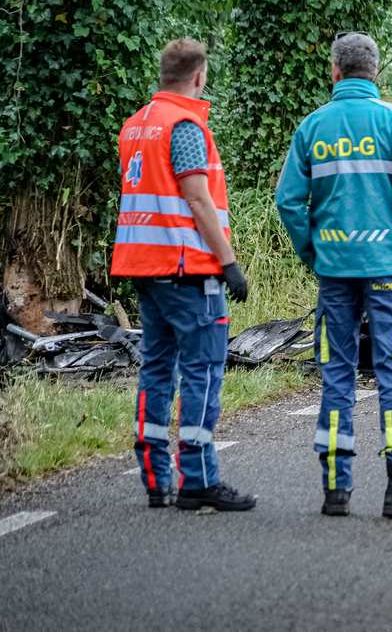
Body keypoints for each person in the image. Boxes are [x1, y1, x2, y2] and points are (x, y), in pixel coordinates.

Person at [275, 32, 392, 519]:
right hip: (388, 272)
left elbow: (288, 201)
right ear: (375, 73)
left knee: (336, 375)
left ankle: (335, 491)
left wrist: (314, 253)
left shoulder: (313, 127)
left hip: (334, 274)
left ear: (334, 71)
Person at [111, 38, 255, 511]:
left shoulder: (137, 125)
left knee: (156, 370)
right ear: (199, 76)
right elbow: (197, 199)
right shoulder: (186, 125)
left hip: (144, 269)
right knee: (204, 372)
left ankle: (157, 478)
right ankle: (198, 478)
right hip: (187, 268)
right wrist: (229, 262)